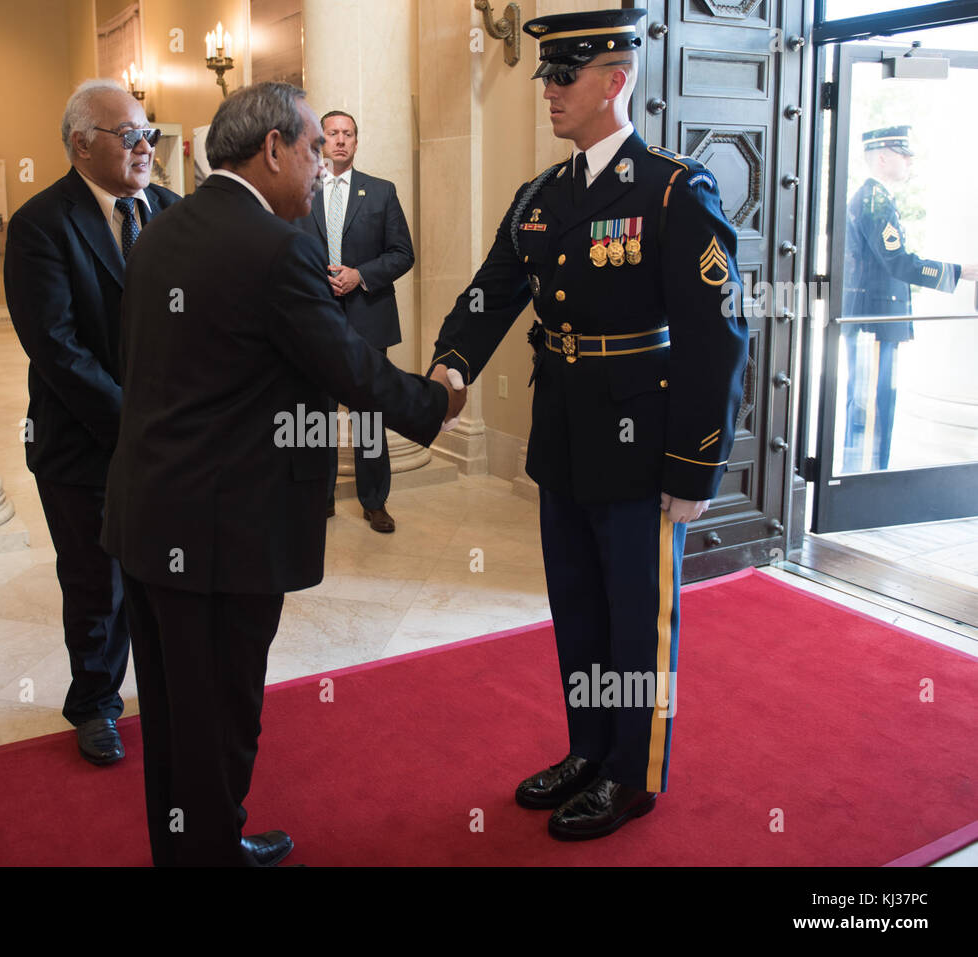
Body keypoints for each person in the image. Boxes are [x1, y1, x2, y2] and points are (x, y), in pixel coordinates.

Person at [101, 81, 465, 866]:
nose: (315, 168)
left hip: (150, 516)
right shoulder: (277, 248)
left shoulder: (160, 228)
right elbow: (349, 370)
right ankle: (212, 851)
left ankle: (193, 846)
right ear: (271, 149)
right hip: (222, 531)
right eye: (308, 151)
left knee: (172, 716)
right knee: (224, 715)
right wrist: (436, 399)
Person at [427, 8, 749, 840]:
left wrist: (694, 470)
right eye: (545, 77)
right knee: (578, 607)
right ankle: (588, 747)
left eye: (565, 77)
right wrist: (451, 362)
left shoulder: (674, 189)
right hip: (566, 438)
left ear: (618, 79)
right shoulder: (542, 196)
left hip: (646, 450)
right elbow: (491, 291)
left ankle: (631, 776)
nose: (550, 93)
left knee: (635, 619)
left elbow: (717, 339)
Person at [4, 79, 180, 767]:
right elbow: (56, 348)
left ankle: (169, 694)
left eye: (148, 133)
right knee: (96, 583)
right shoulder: (41, 224)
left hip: (168, 444)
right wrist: (131, 424)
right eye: (129, 136)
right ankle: (97, 704)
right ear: (82, 144)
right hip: (84, 444)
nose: (144, 148)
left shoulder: (172, 211)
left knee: (169, 576)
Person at [294, 111, 416, 532]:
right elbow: (285, 251)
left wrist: (359, 275)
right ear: (320, 141)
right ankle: (319, 497)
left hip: (367, 318)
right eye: (332, 134)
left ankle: (374, 501)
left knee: (367, 415)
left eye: (348, 134)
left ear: (357, 143)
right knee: (319, 416)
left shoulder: (381, 192)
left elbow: (403, 253)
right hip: (316, 318)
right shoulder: (300, 192)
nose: (340, 140)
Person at [841, 126, 976, 472]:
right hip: (875, 320)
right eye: (904, 154)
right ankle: (866, 479)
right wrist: (958, 271)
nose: (910, 161)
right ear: (882, 157)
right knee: (871, 405)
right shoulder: (874, 199)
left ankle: (871, 476)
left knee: (878, 400)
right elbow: (898, 262)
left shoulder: (880, 199)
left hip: (879, 319)